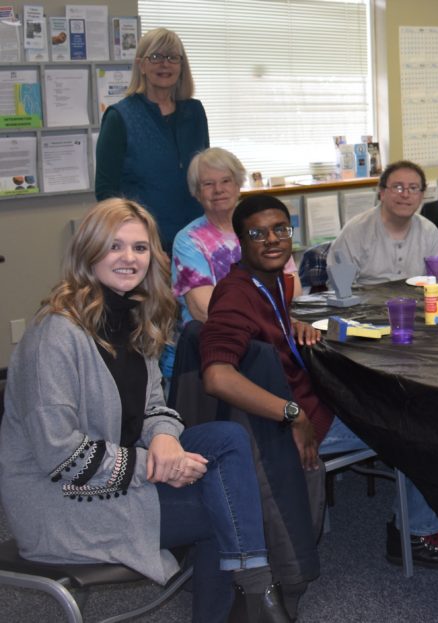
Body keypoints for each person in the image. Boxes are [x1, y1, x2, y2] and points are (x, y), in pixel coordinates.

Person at [0, 198, 288, 622]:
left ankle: (253, 590)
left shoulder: (133, 317)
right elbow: (60, 457)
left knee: (227, 440)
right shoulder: (56, 335)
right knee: (222, 508)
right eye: (114, 246)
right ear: (88, 252)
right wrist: (154, 465)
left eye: (139, 248)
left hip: (113, 472)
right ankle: (255, 596)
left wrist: (167, 441)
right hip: (63, 502)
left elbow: (155, 406)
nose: (129, 258)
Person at [200, 194, 438, 569]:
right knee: (419, 425)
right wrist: (293, 415)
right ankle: (415, 533)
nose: (273, 240)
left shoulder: (270, 281)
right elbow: (216, 377)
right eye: (258, 233)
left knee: (392, 399)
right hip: (290, 421)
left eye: (280, 229)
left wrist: (288, 324)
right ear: (241, 242)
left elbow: (259, 329)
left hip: (310, 400)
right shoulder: (235, 295)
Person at [95, 28, 209, 251]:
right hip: (145, 243)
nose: (164, 64)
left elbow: (205, 174)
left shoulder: (194, 112)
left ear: (181, 66)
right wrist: (140, 245)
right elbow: (106, 192)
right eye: (155, 57)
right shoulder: (119, 117)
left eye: (172, 57)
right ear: (142, 65)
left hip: (195, 240)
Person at [173, 147, 296, 325]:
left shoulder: (265, 228)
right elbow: (205, 309)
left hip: (271, 331)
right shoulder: (188, 240)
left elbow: (294, 289)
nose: (218, 190)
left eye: (226, 181)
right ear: (197, 193)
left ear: (238, 185)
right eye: (208, 184)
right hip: (216, 338)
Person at [327, 160, 438, 285]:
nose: (405, 194)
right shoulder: (355, 231)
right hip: (364, 302)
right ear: (382, 193)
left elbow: (435, 284)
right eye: (397, 187)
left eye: (413, 188)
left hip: (417, 303)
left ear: (421, 195)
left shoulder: (429, 232)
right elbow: (340, 288)